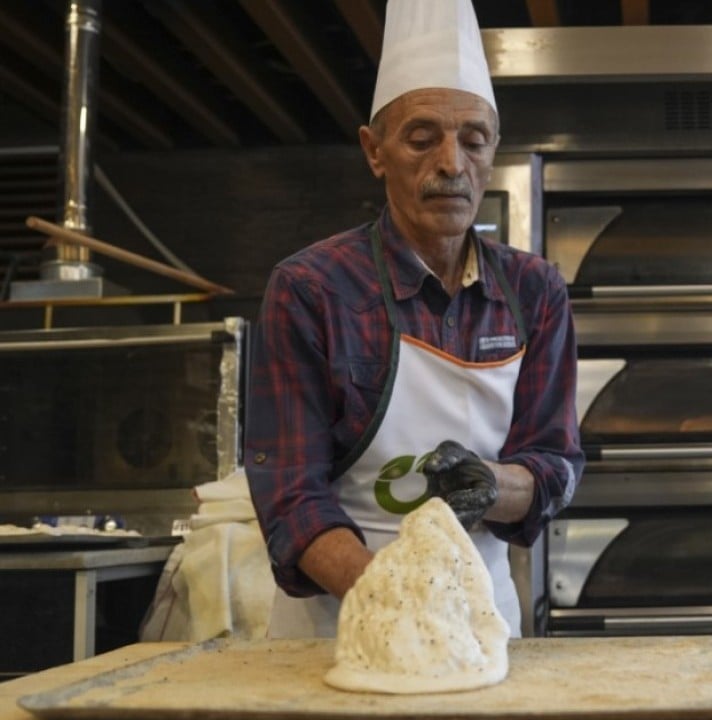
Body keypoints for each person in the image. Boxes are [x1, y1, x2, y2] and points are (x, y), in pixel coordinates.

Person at [244, 0, 582, 638]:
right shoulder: (311, 289)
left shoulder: (534, 291)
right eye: (422, 139)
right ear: (375, 152)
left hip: (480, 619)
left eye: (473, 140)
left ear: (491, 150)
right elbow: (289, 491)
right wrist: (393, 596)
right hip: (339, 624)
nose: (452, 164)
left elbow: (556, 465)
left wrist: (493, 485)